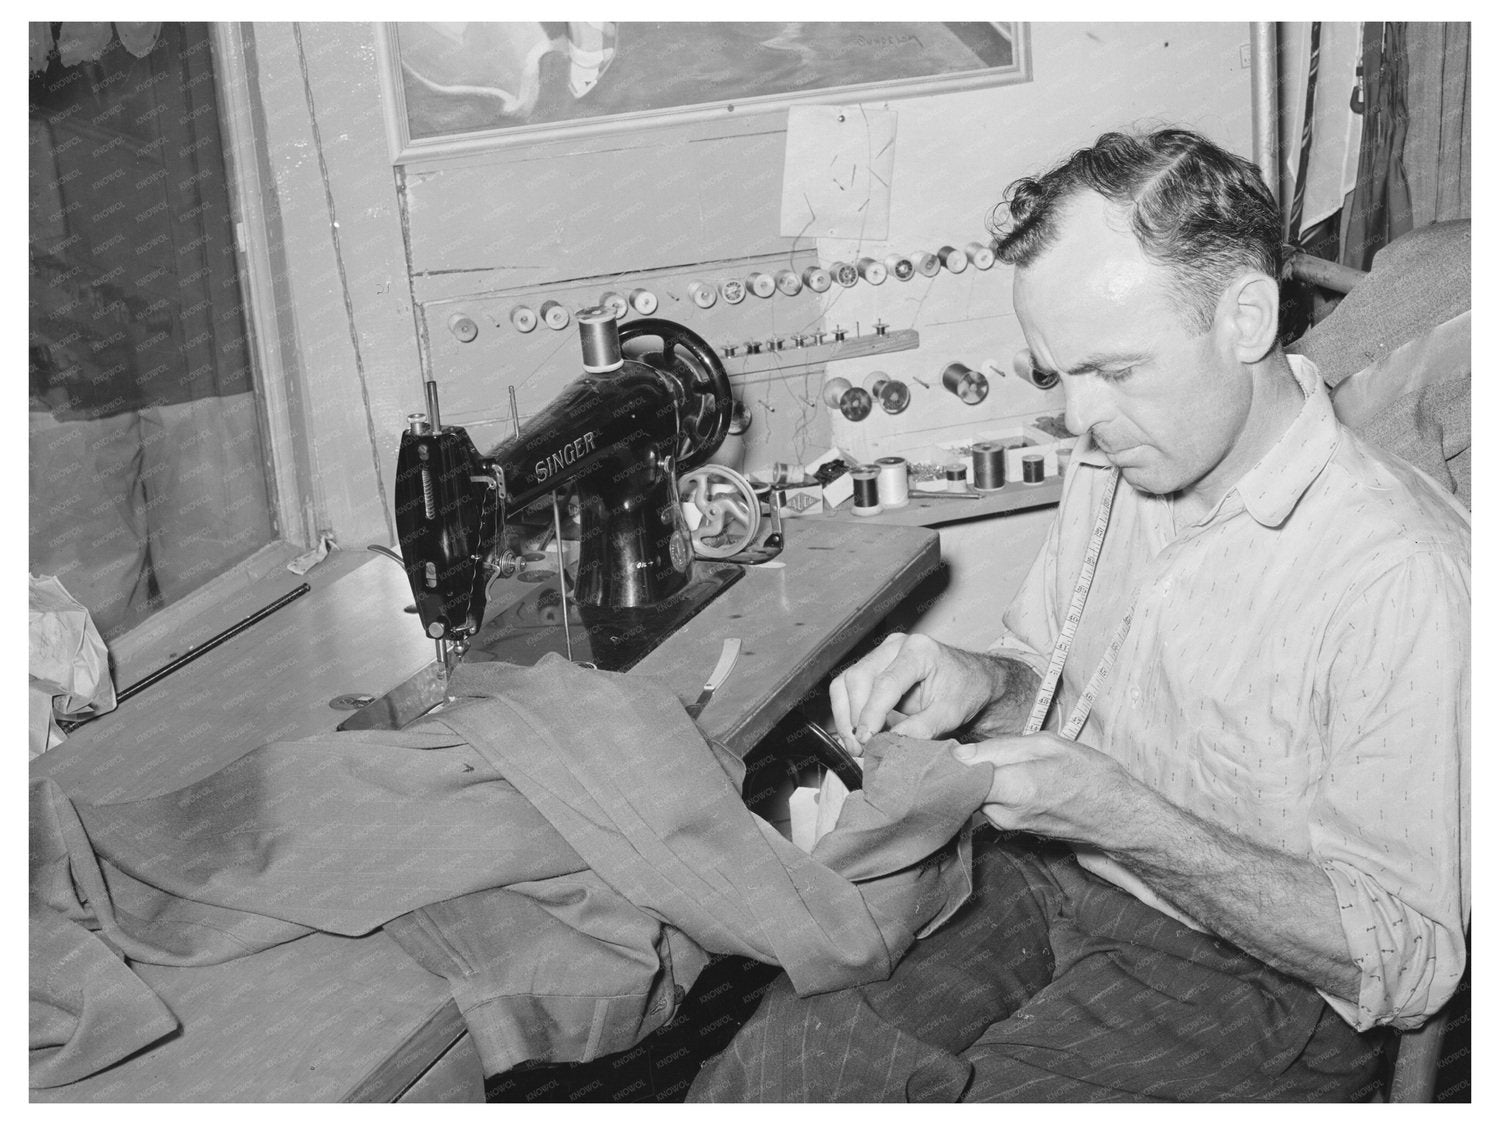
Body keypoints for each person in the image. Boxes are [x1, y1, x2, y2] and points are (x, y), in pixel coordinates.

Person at [688, 127, 1470, 1102]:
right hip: (1054, 875)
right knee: (778, 1073)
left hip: (1258, 983)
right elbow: (1059, 687)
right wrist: (984, 682)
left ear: (1246, 319)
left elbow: (1407, 966)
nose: (1078, 421)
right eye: (1060, 375)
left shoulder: (1403, 576)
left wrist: (1121, 815)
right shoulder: (1130, 455)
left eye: (1116, 370)